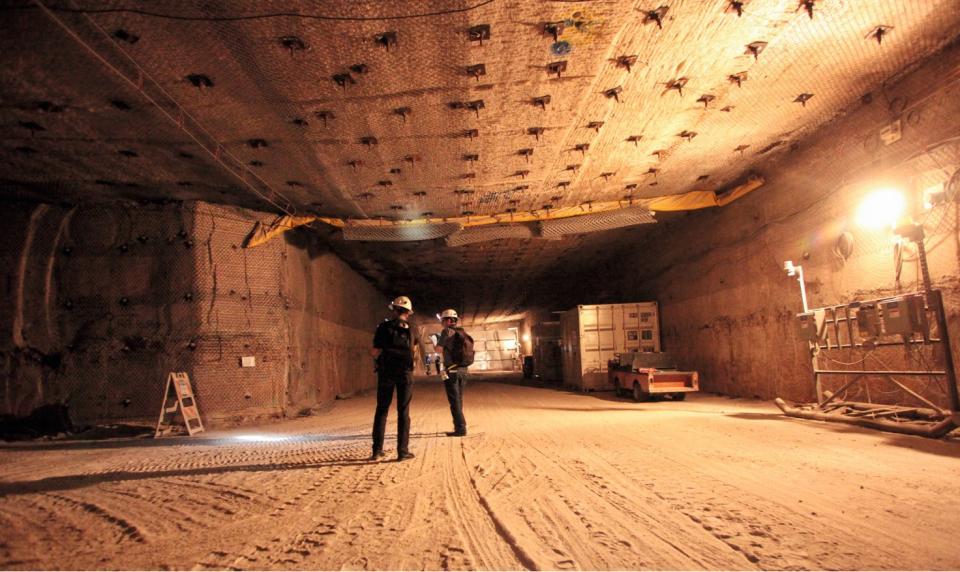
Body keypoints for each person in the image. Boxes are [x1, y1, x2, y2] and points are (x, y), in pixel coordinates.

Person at [371, 296, 418, 461]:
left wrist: (379, 359)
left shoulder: (383, 327)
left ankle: (377, 451)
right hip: (405, 374)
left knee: (382, 410)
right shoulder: (413, 329)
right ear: (408, 313)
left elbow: (375, 352)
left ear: (394, 310)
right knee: (403, 412)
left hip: (386, 373)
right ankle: (402, 452)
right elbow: (415, 351)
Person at [436, 309, 469, 437]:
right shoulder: (462, 332)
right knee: (459, 399)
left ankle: (461, 428)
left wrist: (436, 342)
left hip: (452, 371)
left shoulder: (446, 332)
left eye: (443, 320)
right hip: (463, 371)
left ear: (448, 320)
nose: (442, 323)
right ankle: (459, 426)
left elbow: (438, 350)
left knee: (454, 401)